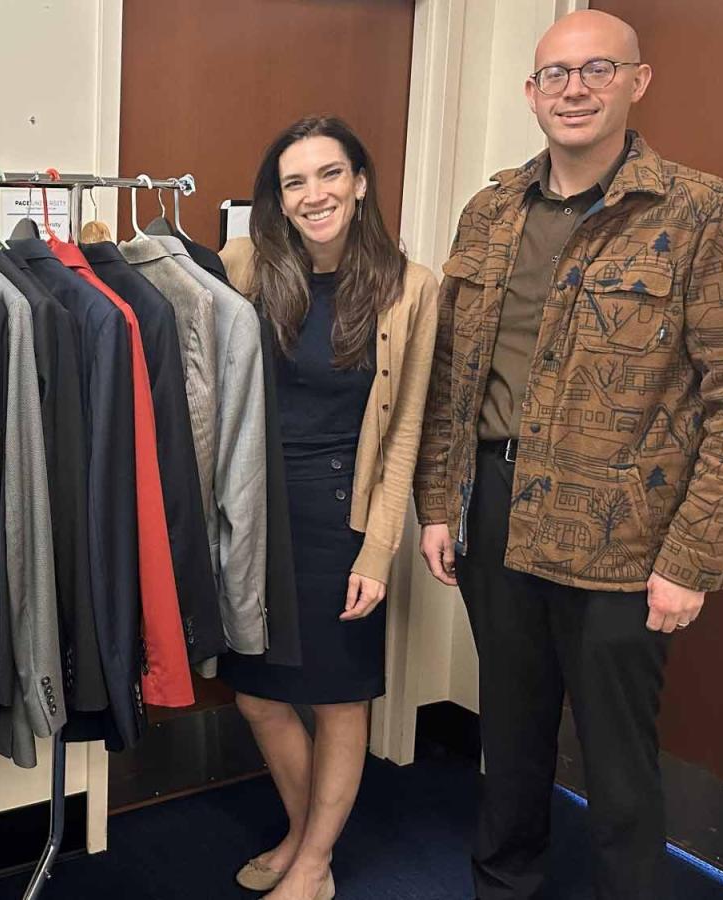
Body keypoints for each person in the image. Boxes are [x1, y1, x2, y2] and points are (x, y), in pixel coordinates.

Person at [415, 10, 723, 898]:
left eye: (597, 70)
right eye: (556, 73)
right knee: (510, 739)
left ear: (637, 82)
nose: (574, 89)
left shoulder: (703, 213)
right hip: (495, 511)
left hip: (626, 537)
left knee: (618, 764)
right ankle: (504, 886)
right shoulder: (491, 211)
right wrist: (438, 502)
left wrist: (692, 558)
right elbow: (454, 373)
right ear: (531, 91)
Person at [218, 116, 439, 899]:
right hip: (255, 508)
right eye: (295, 182)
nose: (315, 194)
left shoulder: (411, 287)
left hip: (342, 514)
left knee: (340, 698)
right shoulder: (242, 265)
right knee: (256, 693)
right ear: (278, 199)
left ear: (361, 182)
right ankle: (303, 831)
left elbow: (406, 428)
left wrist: (378, 551)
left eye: (330, 173)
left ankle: (313, 864)